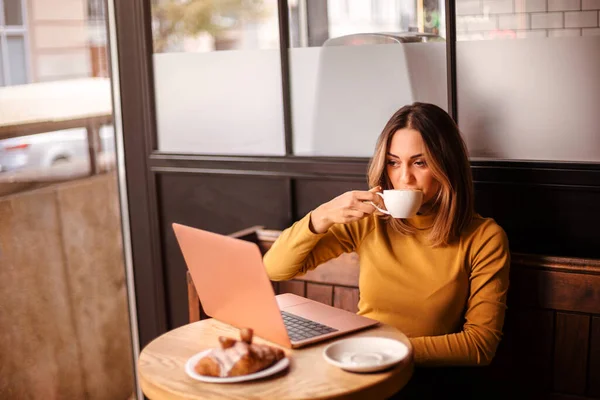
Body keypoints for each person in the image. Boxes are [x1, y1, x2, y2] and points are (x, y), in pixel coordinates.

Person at [263, 102, 510, 397]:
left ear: (447, 166)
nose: (404, 177)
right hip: (360, 367)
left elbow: (480, 345)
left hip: (424, 377)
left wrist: (384, 350)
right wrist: (322, 216)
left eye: (420, 162)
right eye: (394, 162)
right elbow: (275, 268)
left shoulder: (484, 237)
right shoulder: (370, 221)